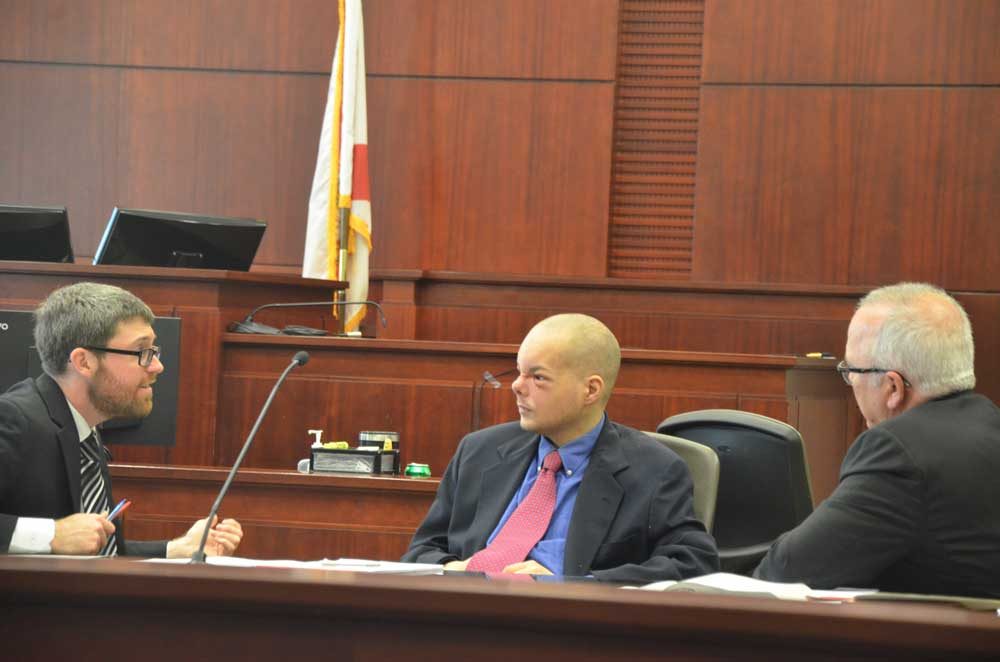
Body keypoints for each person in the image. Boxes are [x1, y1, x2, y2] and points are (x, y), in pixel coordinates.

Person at [402, 313, 718, 583]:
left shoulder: (654, 469)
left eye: (538, 377)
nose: (516, 386)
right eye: (518, 371)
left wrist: (573, 586)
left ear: (590, 390)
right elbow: (421, 551)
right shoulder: (478, 451)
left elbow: (692, 563)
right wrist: (451, 570)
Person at [755, 282, 1000, 597]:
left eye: (852, 370)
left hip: (934, 644)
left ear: (893, 388)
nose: (851, 382)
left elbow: (787, 571)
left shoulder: (897, 452)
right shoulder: (990, 424)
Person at [0, 282, 243, 557]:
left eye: (154, 351)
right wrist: (51, 535)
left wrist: (176, 549)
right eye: (142, 352)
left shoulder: (85, 434)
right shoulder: (14, 419)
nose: (157, 366)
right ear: (84, 362)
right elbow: (62, 541)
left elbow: (96, 553)